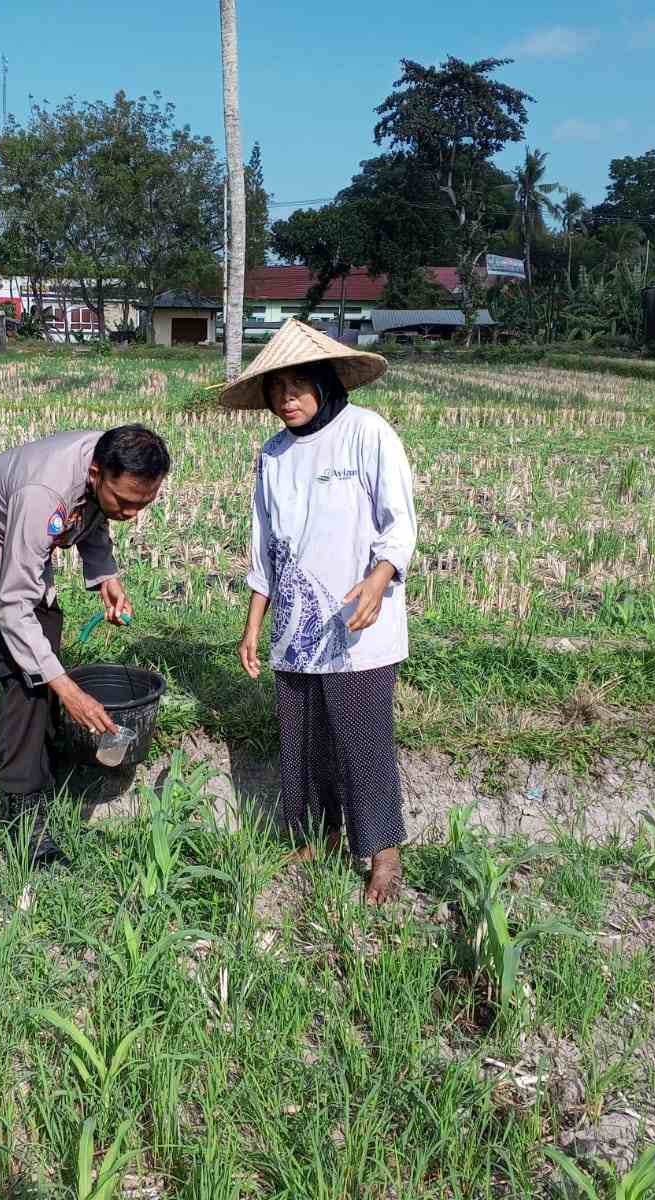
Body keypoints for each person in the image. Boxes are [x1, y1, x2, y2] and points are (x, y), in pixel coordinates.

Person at [224, 320, 417, 905]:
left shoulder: (367, 433)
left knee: (361, 737)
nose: (287, 397)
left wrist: (378, 579)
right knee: (303, 739)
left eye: (299, 384)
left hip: (359, 622)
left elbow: (399, 522)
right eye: (277, 387)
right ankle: (321, 836)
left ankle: (382, 853)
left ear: (327, 383)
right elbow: (265, 548)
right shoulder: (273, 454)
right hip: (295, 626)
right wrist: (254, 623)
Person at [0, 425, 171, 866]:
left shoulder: (108, 461)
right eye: (124, 501)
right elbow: (11, 608)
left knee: (46, 640)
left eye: (144, 503)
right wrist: (68, 690)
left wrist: (106, 574)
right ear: (95, 472)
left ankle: (47, 765)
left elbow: (94, 518)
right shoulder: (43, 493)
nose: (131, 513)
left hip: (23, 547)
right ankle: (22, 813)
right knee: (27, 679)